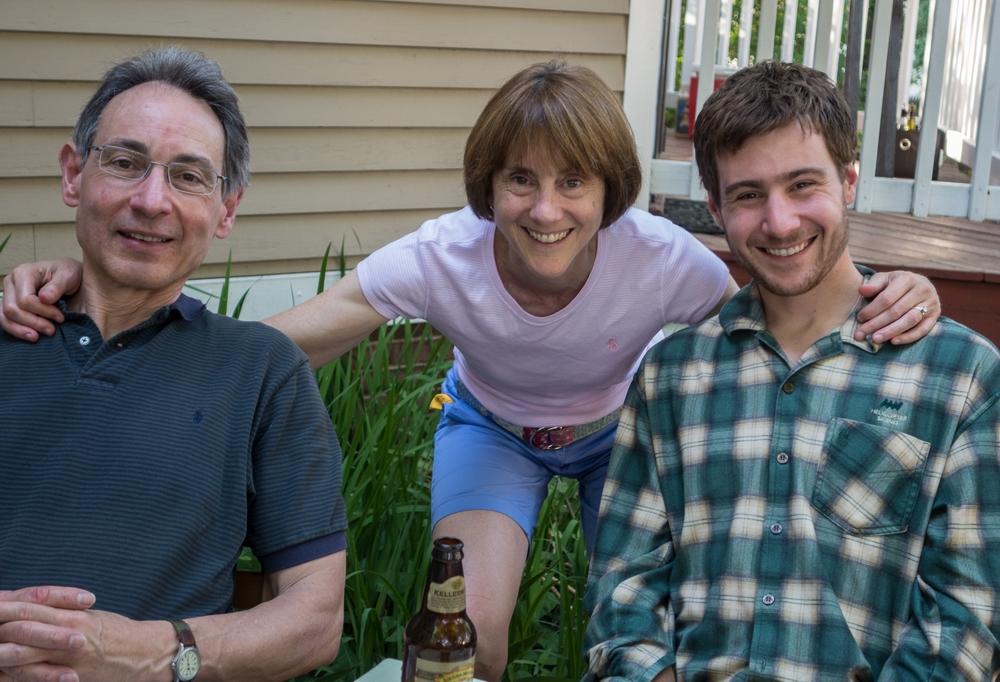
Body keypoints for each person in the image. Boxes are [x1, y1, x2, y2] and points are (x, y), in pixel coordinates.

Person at [1, 61, 940, 682]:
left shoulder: (664, 259)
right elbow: (308, 331)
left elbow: (774, 315)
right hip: (494, 435)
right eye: (519, 181)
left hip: (619, 437)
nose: (544, 210)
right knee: (466, 643)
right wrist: (113, 303)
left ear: (611, 190)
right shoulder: (443, 255)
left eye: (574, 182)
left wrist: (892, 290)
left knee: (660, 625)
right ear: (487, 185)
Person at [583, 60, 1000, 681]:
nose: (779, 223)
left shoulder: (958, 375)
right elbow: (624, 593)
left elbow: (965, 624)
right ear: (716, 208)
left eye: (803, 185)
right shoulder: (672, 378)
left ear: (849, 181)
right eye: (749, 195)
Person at [0, 48, 348, 682]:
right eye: (126, 163)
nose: (153, 200)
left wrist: (150, 652)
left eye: (189, 176)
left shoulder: (262, 372)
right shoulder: (9, 327)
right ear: (74, 174)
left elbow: (316, 620)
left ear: (227, 209)